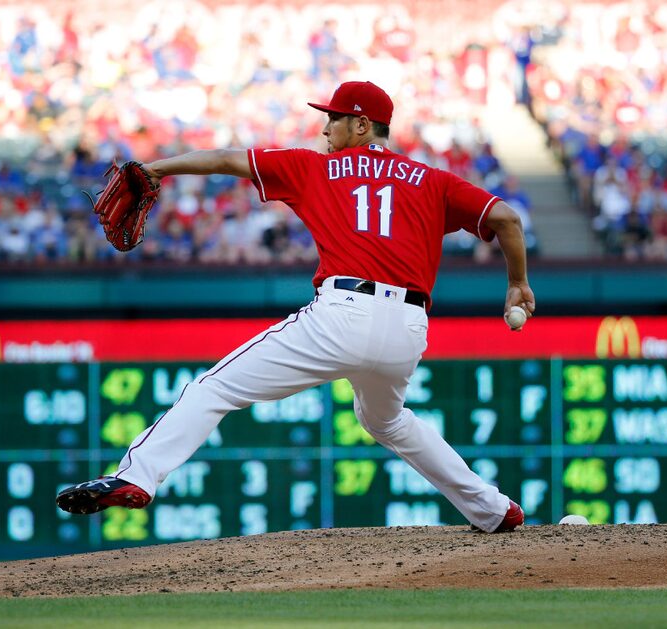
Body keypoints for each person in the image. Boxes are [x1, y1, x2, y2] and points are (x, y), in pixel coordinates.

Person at [56, 81, 535, 533]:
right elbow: (506, 218)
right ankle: (493, 510)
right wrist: (516, 282)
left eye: (335, 119)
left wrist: (158, 169)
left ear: (362, 126)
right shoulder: (433, 180)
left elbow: (226, 160)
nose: (326, 128)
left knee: (214, 388)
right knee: (386, 419)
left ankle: (137, 476)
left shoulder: (314, 166)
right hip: (408, 328)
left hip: (342, 313)